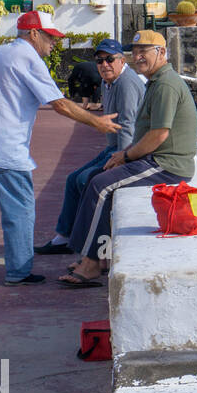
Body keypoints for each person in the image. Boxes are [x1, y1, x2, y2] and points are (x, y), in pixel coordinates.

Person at [0, 12, 121, 286]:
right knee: (20, 213)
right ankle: (19, 271)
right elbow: (59, 104)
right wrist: (96, 122)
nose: (54, 43)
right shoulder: (28, 58)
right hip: (5, 152)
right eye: (50, 37)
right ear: (34, 33)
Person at [60, 30, 197, 288]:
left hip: (167, 165)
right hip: (153, 158)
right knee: (93, 179)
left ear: (162, 53)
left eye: (144, 51)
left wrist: (125, 155)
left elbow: (159, 134)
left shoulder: (166, 85)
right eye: (134, 52)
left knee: (100, 186)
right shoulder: (156, 82)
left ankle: (90, 264)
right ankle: (99, 257)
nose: (138, 57)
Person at [35, 39, 145, 256]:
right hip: (113, 147)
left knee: (87, 180)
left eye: (110, 59)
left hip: (126, 149)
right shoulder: (108, 82)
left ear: (122, 61)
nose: (105, 64)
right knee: (72, 179)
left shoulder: (126, 84)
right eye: (100, 60)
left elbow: (127, 125)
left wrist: (121, 158)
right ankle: (64, 237)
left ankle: (89, 246)